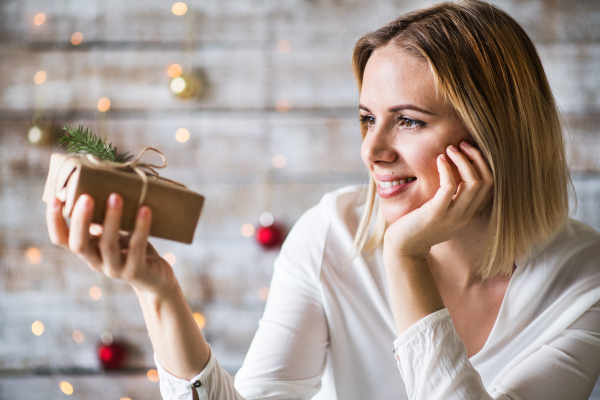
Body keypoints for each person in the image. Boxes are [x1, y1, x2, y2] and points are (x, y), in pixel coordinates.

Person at [46, 1, 600, 399]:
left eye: (407, 121)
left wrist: (404, 259)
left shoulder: (585, 282)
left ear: (494, 134)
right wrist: (159, 290)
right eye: (366, 119)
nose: (372, 151)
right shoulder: (330, 232)